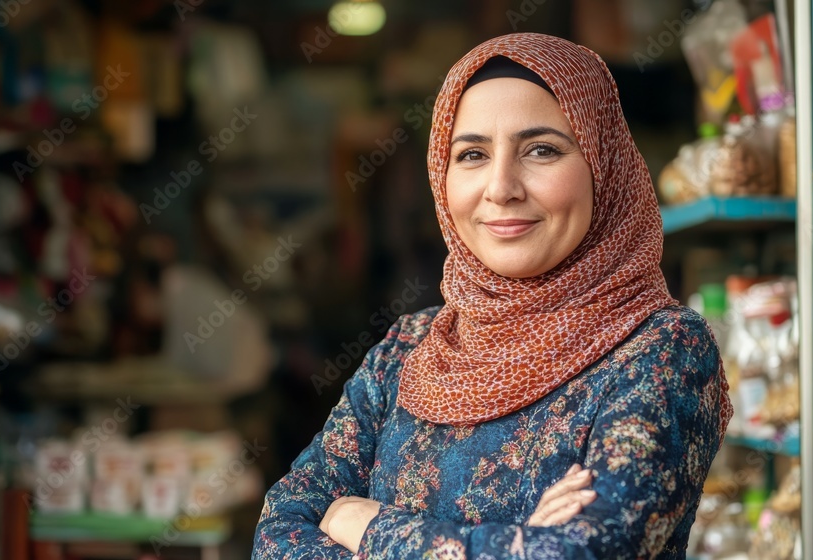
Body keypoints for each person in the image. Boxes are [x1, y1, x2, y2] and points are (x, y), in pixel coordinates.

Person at [253, 32, 732, 559]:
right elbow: (280, 530)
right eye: (473, 154)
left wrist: (365, 524)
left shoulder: (661, 348)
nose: (501, 186)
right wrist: (521, 538)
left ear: (604, 168)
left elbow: (587, 552)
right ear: (442, 175)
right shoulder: (410, 348)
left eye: (541, 150)